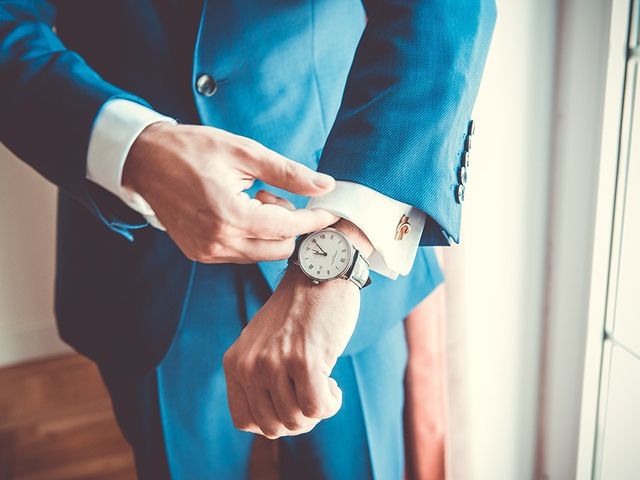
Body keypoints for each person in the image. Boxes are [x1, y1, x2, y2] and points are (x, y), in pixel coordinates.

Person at [0, 1, 495, 478]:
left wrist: (345, 243)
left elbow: (443, 8)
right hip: (140, 261)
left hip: (340, 209)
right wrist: (135, 150)